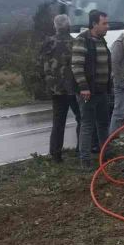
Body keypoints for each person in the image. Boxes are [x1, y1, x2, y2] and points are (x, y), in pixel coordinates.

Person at [71, 10, 112, 170]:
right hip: (88, 92)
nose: (107, 27)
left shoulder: (101, 40)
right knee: (87, 124)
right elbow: (76, 66)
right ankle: (85, 160)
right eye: (104, 23)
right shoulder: (82, 40)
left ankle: (105, 154)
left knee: (103, 123)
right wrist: (83, 87)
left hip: (102, 90)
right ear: (94, 24)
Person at [42, 14, 80, 162]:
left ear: (55, 26)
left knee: (58, 122)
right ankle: (81, 149)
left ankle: (56, 154)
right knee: (82, 119)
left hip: (55, 88)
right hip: (73, 87)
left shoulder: (48, 43)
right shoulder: (74, 42)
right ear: (68, 26)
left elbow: (40, 64)